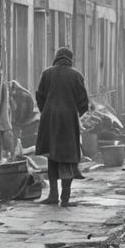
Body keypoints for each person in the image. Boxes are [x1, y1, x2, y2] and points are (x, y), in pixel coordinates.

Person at [35, 47, 89, 206]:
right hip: (68, 121)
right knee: (68, 158)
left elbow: (39, 96)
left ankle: (53, 195)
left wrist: (47, 111)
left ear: (56, 57)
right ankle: (65, 197)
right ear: (70, 59)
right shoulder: (76, 75)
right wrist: (74, 114)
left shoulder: (47, 73)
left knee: (52, 157)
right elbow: (83, 103)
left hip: (50, 120)